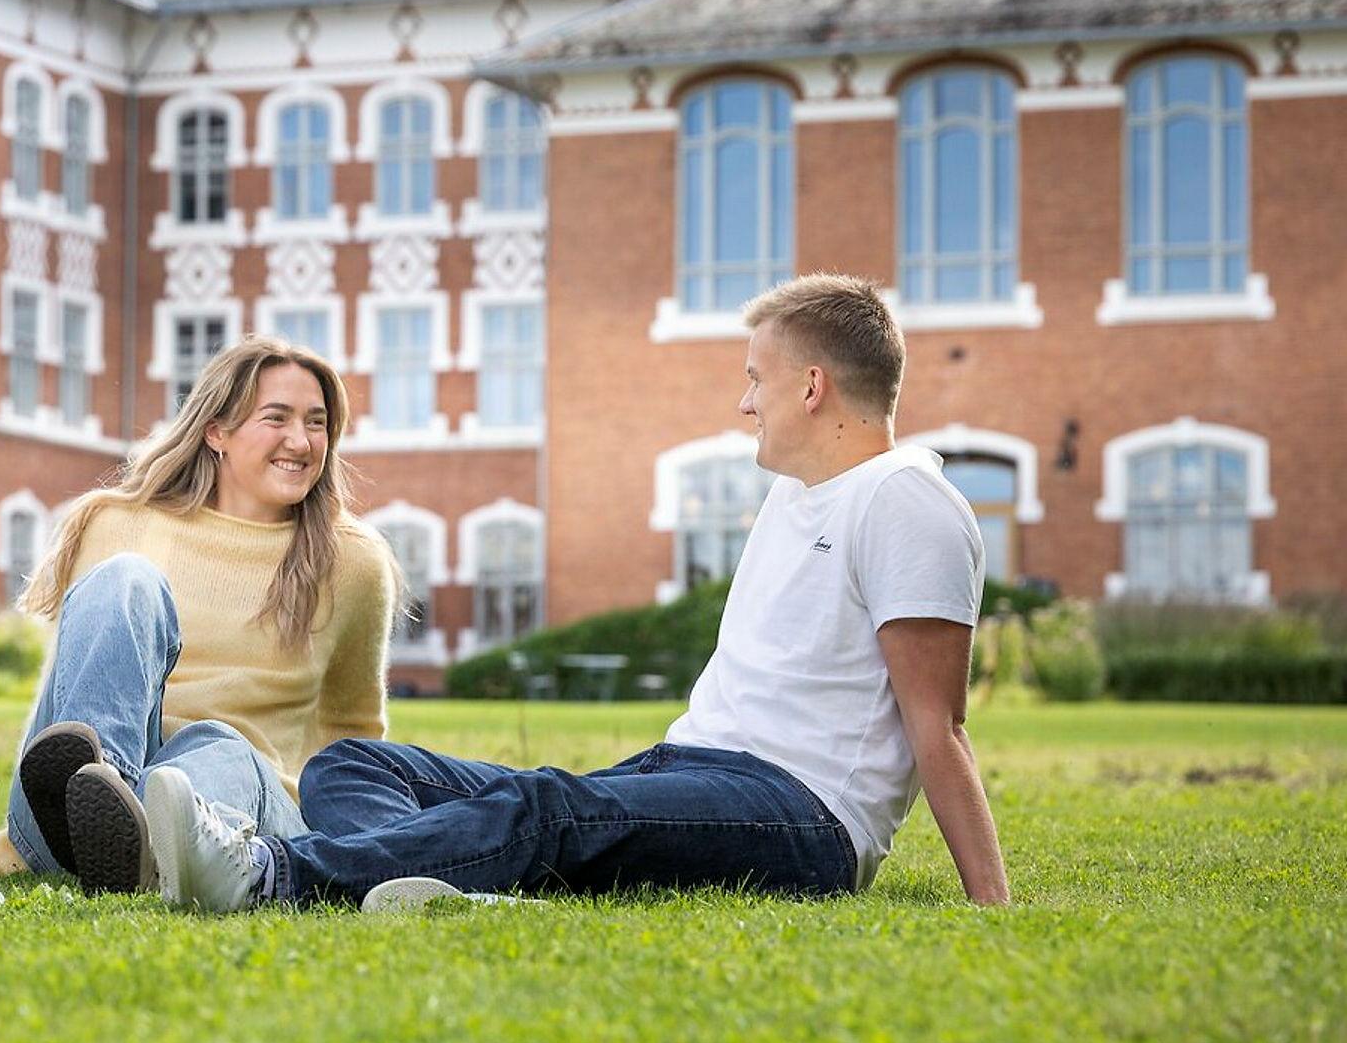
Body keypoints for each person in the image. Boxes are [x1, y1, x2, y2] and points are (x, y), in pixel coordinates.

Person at [145, 274, 1013, 912]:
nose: (745, 401)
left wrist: (993, 905)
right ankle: (451, 891)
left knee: (547, 807)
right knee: (358, 763)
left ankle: (274, 874)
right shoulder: (796, 495)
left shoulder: (905, 499)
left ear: (812, 385)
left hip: (802, 815)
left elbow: (938, 724)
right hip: (692, 768)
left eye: (757, 377)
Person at [0, 334, 399, 894]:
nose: (301, 442)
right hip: (71, 812)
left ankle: (136, 839)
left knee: (219, 744)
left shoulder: (353, 562)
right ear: (216, 432)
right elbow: (75, 685)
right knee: (125, 578)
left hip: (231, 806)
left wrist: (365, 852)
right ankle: (101, 822)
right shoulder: (116, 523)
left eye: (318, 423)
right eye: (276, 418)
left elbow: (354, 735)